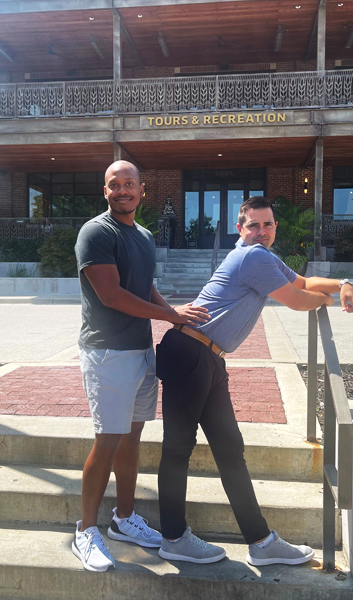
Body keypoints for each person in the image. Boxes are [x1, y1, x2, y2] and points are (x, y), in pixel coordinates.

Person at [156, 196, 353, 566]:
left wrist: (342, 282)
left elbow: (302, 280)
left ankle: (261, 542)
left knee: (231, 449)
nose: (261, 231)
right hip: (190, 351)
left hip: (209, 357)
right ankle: (173, 537)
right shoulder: (252, 256)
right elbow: (298, 299)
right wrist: (327, 300)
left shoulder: (263, 255)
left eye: (267, 225)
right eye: (253, 225)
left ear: (275, 228)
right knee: (178, 449)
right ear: (240, 229)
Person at [73, 160, 209, 572]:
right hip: (108, 353)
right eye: (114, 185)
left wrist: (175, 313)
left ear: (142, 190)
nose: (122, 191)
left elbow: (143, 285)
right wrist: (169, 316)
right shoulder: (97, 232)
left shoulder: (144, 236)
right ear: (105, 191)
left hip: (139, 351)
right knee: (108, 442)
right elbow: (112, 295)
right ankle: (85, 530)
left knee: (131, 441)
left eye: (129, 184)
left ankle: (123, 519)